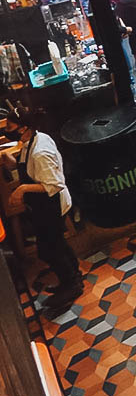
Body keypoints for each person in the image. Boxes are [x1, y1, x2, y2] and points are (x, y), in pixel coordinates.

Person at [0, 103, 82, 315]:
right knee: (57, 244)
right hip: (42, 206)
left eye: (9, 126)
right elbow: (27, 166)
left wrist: (21, 190)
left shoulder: (40, 152)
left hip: (52, 204)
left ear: (24, 128)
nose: (6, 130)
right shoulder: (32, 140)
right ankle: (73, 275)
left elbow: (54, 184)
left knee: (49, 249)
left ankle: (72, 284)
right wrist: (9, 161)